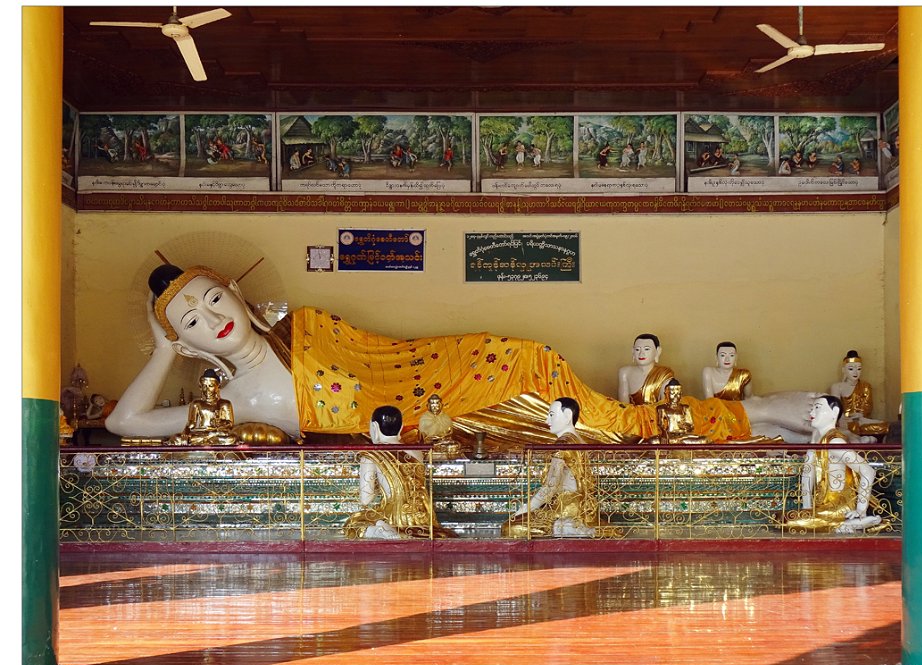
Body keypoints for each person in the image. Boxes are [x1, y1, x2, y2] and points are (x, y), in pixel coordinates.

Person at [107, 264, 815, 446]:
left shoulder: (311, 328)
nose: (213, 320)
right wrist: (162, 351)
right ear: (186, 340)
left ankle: (756, 413)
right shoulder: (226, 405)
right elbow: (124, 423)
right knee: (607, 429)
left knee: (607, 423)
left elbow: (391, 357)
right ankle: (758, 414)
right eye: (191, 322)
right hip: (442, 423)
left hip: (462, 371)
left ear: (236, 292)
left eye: (213, 299)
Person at [501, 398, 621, 538]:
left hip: (564, 510)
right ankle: (572, 526)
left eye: (551, 415)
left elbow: (549, 488)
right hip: (582, 509)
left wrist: (522, 511)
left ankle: (565, 527)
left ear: (568, 415)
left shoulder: (563, 443)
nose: (547, 420)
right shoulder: (580, 440)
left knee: (509, 528)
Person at [343, 405, 455, 539]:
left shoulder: (371, 455)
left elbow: (365, 499)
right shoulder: (416, 452)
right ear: (401, 427)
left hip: (393, 515)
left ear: (374, 427)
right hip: (421, 516)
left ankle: (380, 530)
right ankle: (387, 528)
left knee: (353, 524)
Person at [783, 395, 887, 534]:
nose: (812, 412)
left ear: (835, 412)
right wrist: (806, 507)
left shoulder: (835, 442)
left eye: (817, 408)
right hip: (822, 505)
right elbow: (808, 471)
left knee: (788, 522)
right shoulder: (817, 437)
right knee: (782, 519)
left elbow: (868, 471)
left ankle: (855, 521)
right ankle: (847, 525)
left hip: (840, 506)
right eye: (812, 408)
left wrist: (860, 510)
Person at [166, 369, 239, 446]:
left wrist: (222, 423)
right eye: (204, 386)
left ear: (218, 387)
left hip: (217, 433)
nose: (207, 390)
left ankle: (208, 440)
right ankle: (209, 440)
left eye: (211, 386)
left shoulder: (225, 403)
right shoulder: (196, 403)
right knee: (176, 438)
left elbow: (230, 424)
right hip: (201, 433)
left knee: (232, 438)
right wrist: (186, 430)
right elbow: (192, 422)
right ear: (200, 387)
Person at [829, 350, 889, 440]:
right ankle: (862, 437)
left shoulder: (866, 386)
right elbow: (835, 408)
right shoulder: (837, 387)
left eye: (859, 369)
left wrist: (860, 414)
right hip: (845, 421)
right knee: (841, 428)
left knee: (885, 426)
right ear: (843, 370)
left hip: (861, 420)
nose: (855, 372)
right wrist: (842, 418)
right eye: (851, 369)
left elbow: (867, 406)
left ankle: (861, 436)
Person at [617, 333, 674, 405]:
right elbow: (623, 405)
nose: (641, 353)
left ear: (658, 351)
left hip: (655, 411)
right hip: (631, 411)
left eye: (646, 349)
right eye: (637, 349)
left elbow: (665, 405)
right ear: (633, 351)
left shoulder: (664, 374)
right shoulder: (625, 373)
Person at [646, 380, 706, 444]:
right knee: (653, 441)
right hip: (669, 436)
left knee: (703, 440)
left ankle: (678, 442)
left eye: (678, 394)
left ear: (681, 394)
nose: (675, 396)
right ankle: (678, 442)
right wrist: (665, 434)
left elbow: (691, 426)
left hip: (683, 435)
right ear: (666, 394)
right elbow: (661, 425)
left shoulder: (685, 408)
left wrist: (684, 426)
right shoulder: (662, 408)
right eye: (672, 393)